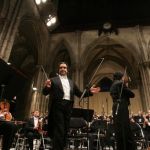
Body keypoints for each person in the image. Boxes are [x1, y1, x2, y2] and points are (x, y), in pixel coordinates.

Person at [42, 61, 100, 150]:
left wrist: (90, 92)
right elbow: (45, 92)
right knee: (59, 129)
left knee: (65, 129)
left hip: (68, 107)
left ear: (67, 70)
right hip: (57, 106)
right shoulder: (53, 80)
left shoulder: (71, 82)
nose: (62, 69)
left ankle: (61, 147)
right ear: (59, 69)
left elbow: (80, 94)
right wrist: (47, 87)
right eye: (61, 67)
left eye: (64, 68)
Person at [110, 71, 136, 150]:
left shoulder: (112, 85)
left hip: (115, 107)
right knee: (125, 128)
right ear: (120, 77)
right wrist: (126, 86)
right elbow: (132, 94)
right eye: (122, 77)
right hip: (122, 107)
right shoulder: (120, 84)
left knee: (119, 129)